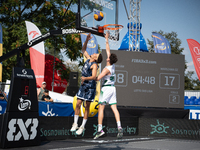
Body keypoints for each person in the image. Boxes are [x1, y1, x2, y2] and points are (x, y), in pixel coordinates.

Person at [70, 33, 103, 135]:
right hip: (84, 86)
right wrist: (87, 40)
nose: (94, 53)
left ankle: (82, 126)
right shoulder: (88, 58)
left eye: (96, 54)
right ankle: (75, 124)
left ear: (96, 59)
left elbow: (94, 77)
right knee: (78, 104)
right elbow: (83, 50)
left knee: (87, 107)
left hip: (90, 87)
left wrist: (85, 78)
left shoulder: (94, 65)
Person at [93, 31, 123, 139]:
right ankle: (119, 127)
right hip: (113, 89)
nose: (107, 57)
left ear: (109, 60)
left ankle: (99, 129)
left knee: (101, 108)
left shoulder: (106, 69)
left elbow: (97, 78)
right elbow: (108, 50)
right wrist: (106, 39)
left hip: (105, 90)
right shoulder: (112, 66)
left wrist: (92, 73)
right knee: (114, 108)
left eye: (108, 57)